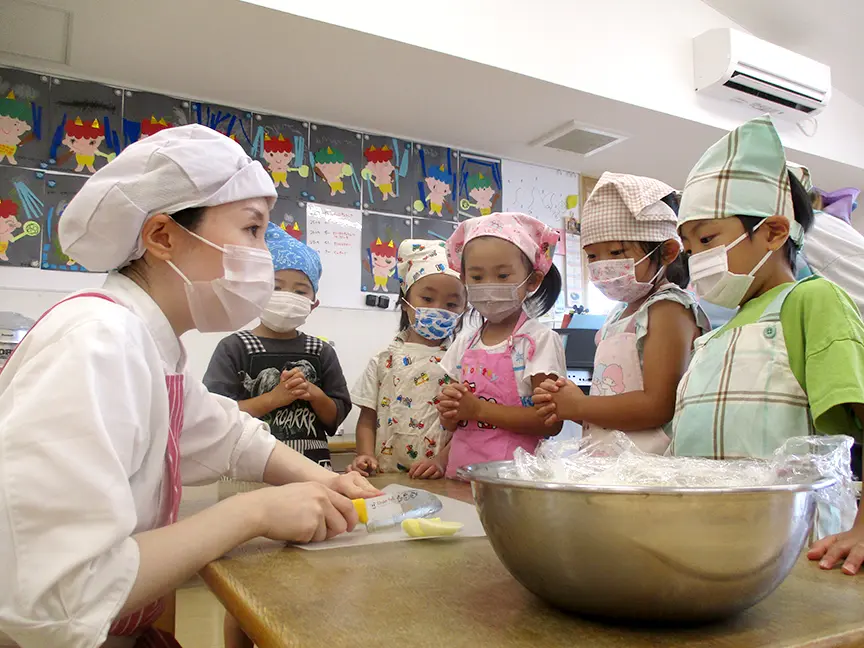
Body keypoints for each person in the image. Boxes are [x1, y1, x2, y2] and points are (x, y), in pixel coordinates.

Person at [0, 125, 379, 648]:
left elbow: (229, 435)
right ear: (162, 237)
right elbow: (64, 595)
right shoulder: (98, 342)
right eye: (251, 230)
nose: (263, 256)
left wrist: (326, 481)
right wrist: (256, 512)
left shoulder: (150, 344)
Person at [668, 115, 864, 574]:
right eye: (690, 246)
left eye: (709, 238)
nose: (698, 259)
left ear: (774, 232)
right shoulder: (717, 335)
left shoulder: (812, 302)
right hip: (714, 546)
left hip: (800, 551)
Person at [533, 173, 710, 453]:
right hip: (609, 463)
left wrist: (580, 404)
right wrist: (564, 401)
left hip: (651, 469)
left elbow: (659, 406)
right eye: (592, 256)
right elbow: (610, 401)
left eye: (616, 252)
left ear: (667, 252)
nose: (603, 265)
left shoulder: (669, 309)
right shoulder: (617, 316)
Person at [204, 222, 350, 469]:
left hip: (313, 469)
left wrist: (314, 394)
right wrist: (274, 398)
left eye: (300, 291)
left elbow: (334, 418)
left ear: (313, 303)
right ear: (257, 292)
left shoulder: (321, 352)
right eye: (276, 286)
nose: (287, 295)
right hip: (246, 471)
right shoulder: (234, 348)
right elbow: (217, 417)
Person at [437, 212, 566, 478]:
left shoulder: (538, 341)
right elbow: (453, 422)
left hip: (516, 479)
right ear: (464, 279)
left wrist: (480, 409)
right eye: (477, 277)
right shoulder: (464, 344)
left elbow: (550, 422)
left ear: (532, 280)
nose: (489, 286)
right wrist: (449, 414)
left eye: (503, 275)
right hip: (461, 473)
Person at [350, 239, 467, 479]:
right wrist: (364, 455)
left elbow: (468, 428)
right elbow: (367, 419)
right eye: (427, 299)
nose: (439, 309)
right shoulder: (383, 361)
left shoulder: (464, 364)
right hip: (384, 475)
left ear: (465, 308)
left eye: (452, 303)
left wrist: (441, 460)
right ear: (405, 302)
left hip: (438, 477)